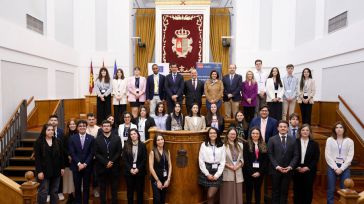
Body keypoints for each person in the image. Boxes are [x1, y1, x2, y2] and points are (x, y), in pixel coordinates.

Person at [268, 120, 299, 204]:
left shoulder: (293, 140)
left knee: (284, 191)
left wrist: (290, 166)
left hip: (288, 170)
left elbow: (296, 155)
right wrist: (277, 166)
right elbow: (270, 154)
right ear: (278, 128)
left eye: (285, 127)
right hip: (276, 170)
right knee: (275, 191)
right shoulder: (272, 139)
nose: (283, 128)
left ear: (288, 128)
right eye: (281, 126)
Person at [34, 124, 65, 204]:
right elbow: (37, 159)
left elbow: (61, 156)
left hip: (56, 170)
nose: (51, 131)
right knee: (43, 191)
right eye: (49, 130)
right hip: (44, 171)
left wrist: (62, 168)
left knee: (54, 191)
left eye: (52, 130)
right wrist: (39, 171)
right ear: (44, 131)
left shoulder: (58, 141)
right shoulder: (39, 142)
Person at [325, 121, 354, 204]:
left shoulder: (350, 141)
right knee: (331, 188)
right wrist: (335, 167)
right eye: (337, 127)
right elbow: (328, 155)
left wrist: (341, 168)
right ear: (334, 129)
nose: (339, 129)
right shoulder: (329, 140)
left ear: (344, 129)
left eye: (341, 127)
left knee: (344, 189)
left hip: (345, 166)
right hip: (332, 166)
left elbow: (350, 156)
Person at [94, 120, 122, 204]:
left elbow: (119, 151)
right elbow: (96, 153)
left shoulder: (117, 138)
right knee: (102, 189)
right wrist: (106, 162)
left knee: (114, 189)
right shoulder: (97, 139)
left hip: (114, 168)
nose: (106, 127)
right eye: (104, 126)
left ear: (111, 127)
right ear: (102, 127)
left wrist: (111, 161)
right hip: (102, 168)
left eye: (108, 126)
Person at [68, 120, 95, 204]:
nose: (82, 127)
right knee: (77, 187)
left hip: (87, 166)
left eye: (84, 126)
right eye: (80, 126)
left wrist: (85, 164)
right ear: (77, 127)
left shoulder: (91, 138)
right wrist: (79, 164)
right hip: (76, 167)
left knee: (86, 187)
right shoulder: (72, 138)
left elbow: (92, 152)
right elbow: (72, 152)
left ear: (86, 127)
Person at [293, 124, 320, 204]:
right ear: (300, 131)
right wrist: (296, 166)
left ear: (310, 132)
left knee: (308, 190)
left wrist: (307, 167)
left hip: (309, 170)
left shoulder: (315, 144)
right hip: (296, 169)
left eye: (307, 130)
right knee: (297, 189)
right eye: (303, 130)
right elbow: (291, 156)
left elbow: (316, 159)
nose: (305, 132)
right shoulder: (295, 142)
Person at [198, 127, 226, 204]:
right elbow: (201, 161)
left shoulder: (222, 145)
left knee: (210, 195)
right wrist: (207, 174)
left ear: (217, 134)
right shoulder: (204, 145)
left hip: (217, 171)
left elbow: (223, 161)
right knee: (210, 196)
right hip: (206, 170)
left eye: (214, 133)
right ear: (208, 134)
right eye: (211, 133)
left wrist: (217, 175)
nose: (212, 134)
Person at [243, 127, 268, 204]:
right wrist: (251, 172)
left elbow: (265, 160)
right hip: (248, 172)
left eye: (257, 133)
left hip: (260, 172)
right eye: (253, 133)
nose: (255, 135)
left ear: (260, 134)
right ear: (250, 134)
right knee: (249, 190)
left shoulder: (263, 144)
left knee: (258, 190)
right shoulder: (246, 144)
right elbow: (246, 159)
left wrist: (259, 172)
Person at [122, 128, 148, 204]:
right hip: (129, 172)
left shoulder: (142, 145)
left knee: (140, 191)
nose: (133, 135)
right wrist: (130, 169)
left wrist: (138, 169)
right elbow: (124, 159)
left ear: (138, 135)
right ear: (129, 136)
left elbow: (144, 159)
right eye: (131, 134)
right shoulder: (126, 145)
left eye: (134, 134)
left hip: (139, 172)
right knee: (130, 192)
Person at [220, 128, 244, 204]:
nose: (232, 136)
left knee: (238, 193)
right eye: (231, 134)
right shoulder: (222, 146)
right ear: (227, 135)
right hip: (227, 172)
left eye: (234, 134)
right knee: (228, 194)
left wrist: (238, 166)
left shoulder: (240, 145)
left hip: (238, 171)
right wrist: (230, 166)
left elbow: (242, 159)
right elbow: (221, 160)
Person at [149, 134, 172, 204]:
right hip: (156, 180)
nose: (160, 141)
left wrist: (168, 179)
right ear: (155, 142)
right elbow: (151, 168)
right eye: (158, 140)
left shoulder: (167, 151)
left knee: (162, 200)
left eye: (162, 139)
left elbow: (170, 166)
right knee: (157, 200)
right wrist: (158, 181)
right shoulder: (153, 152)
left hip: (165, 179)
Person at [48, 114, 65, 200]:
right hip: (48, 159)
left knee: (59, 176)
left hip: (58, 159)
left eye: (55, 120)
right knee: (48, 176)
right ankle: (48, 194)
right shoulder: (45, 131)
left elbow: (63, 147)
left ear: (57, 122)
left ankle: (60, 192)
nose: (53, 122)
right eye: (52, 120)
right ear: (49, 122)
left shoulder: (62, 132)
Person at [85, 112, 100, 197]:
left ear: (95, 120)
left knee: (95, 174)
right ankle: (86, 190)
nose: (91, 121)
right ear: (87, 120)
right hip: (85, 156)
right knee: (86, 174)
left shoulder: (99, 129)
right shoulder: (84, 128)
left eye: (92, 119)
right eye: (89, 119)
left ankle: (95, 189)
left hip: (95, 156)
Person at [63, 119, 76, 203]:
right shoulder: (65, 136)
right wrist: (68, 155)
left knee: (77, 179)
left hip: (78, 160)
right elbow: (64, 148)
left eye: (74, 124)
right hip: (68, 160)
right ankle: (70, 196)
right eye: (70, 124)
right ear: (68, 126)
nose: (72, 125)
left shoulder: (79, 134)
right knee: (69, 179)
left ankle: (77, 196)